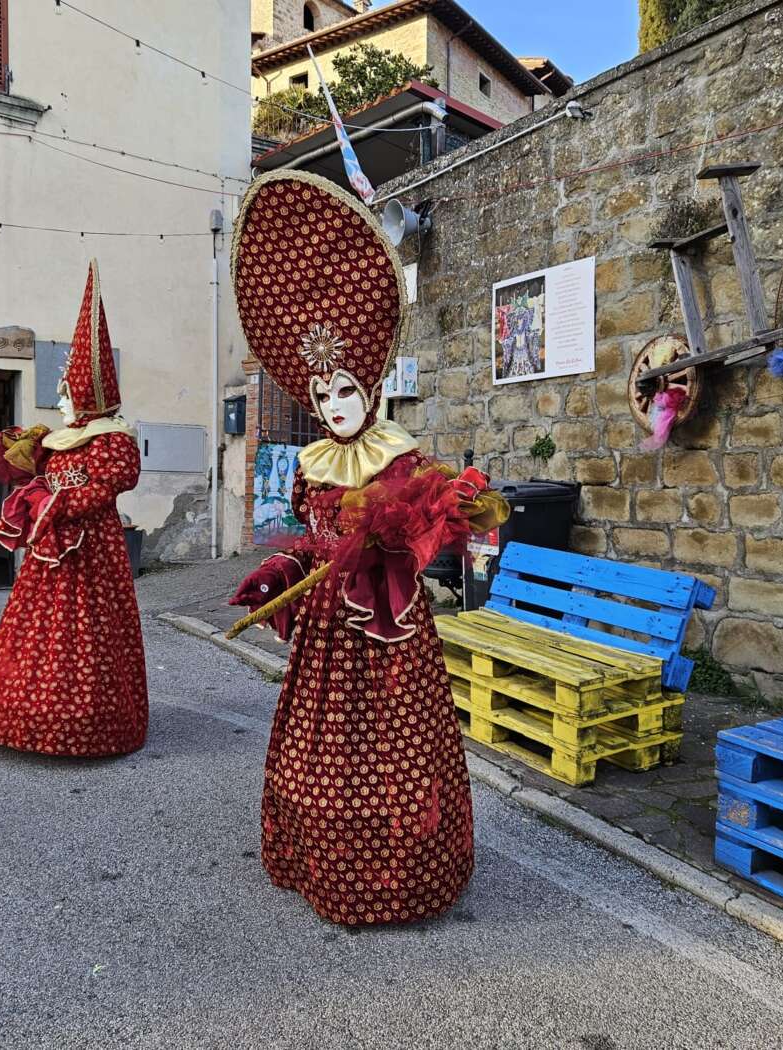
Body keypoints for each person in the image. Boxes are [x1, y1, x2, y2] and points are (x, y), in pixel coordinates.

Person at [230, 171, 507, 926]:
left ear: (373, 387)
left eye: (346, 391)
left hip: (390, 634)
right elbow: (313, 543)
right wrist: (280, 570)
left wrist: (423, 518)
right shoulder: (314, 465)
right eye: (323, 396)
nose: (335, 407)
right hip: (325, 631)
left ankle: (403, 876)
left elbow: (434, 527)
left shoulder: (403, 459)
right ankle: (320, 860)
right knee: (319, 751)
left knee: (396, 751)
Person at [0, 261, 148, 757]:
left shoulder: (113, 440)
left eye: (69, 393)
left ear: (90, 395)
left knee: (89, 633)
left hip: (93, 556)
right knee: (35, 631)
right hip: (49, 555)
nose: (62, 401)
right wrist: (19, 457)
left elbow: (102, 489)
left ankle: (89, 723)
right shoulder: (60, 438)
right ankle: (22, 717)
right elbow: (37, 474)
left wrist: (48, 502)